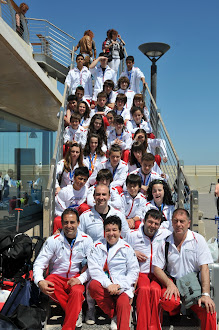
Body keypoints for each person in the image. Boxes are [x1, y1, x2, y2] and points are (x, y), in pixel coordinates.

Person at [153, 208, 217, 330]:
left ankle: (193, 310)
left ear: (188, 223)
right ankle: (175, 312)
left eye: (182, 221)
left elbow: (204, 268)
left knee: (209, 310)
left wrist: (205, 294)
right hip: (174, 285)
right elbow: (157, 268)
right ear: (171, 222)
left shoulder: (198, 240)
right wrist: (169, 284)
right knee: (168, 301)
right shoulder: (165, 242)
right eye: (176, 221)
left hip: (192, 287)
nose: (178, 225)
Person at [33, 208, 93, 330]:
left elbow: (93, 266)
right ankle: (75, 311)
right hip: (57, 277)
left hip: (75, 277)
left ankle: (68, 325)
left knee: (76, 292)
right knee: (48, 283)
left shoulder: (86, 240)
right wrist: (40, 281)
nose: (69, 226)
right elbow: (39, 263)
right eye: (66, 222)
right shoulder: (53, 241)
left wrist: (81, 279)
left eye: (72, 222)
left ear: (78, 223)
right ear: (61, 223)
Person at [88, 215, 139, 330]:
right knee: (93, 285)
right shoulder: (96, 246)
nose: (111, 233)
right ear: (104, 231)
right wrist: (109, 285)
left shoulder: (127, 248)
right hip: (106, 286)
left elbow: (133, 271)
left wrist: (120, 286)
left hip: (122, 287)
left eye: (114, 230)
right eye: (108, 230)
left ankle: (123, 321)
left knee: (123, 304)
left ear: (120, 231)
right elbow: (94, 270)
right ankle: (115, 315)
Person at [125, 209, 171, 330]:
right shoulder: (132, 235)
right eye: (150, 222)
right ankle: (142, 326)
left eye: (156, 223)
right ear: (144, 221)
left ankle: (154, 326)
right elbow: (122, 250)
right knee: (144, 289)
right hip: (141, 273)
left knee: (155, 290)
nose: (153, 226)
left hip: (157, 273)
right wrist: (133, 252)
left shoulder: (165, 234)